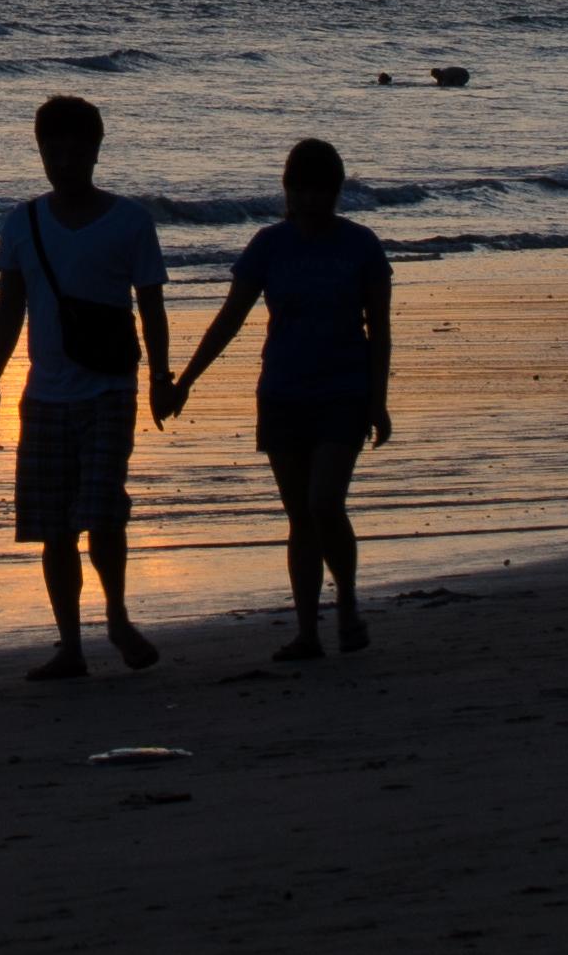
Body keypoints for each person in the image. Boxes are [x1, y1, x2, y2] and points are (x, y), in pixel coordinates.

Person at [167, 134, 397, 663]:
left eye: (322, 189)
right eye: (301, 188)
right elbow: (231, 317)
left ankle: (347, 603)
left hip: (344, 391)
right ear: (287, 190)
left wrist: (378, 400)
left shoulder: (361, 244)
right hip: (282, 393)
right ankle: (307, 632)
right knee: (299, 517)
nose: (311, 199)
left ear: (337, 191)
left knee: (324, 503)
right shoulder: (269, 245)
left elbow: (379, 329)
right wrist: (187, 378)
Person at [0, 93, 173, 679]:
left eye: (73, 146)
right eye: (50, 147)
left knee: (104, 512)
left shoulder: (130, 221)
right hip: (44, 396)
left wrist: (162, 376)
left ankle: (115, 616)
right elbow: (9, 308)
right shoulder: (23, 222)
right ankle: (70, 645)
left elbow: (152, 307)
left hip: (110, 389)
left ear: (95, 149)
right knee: (52, 526)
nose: (61, 158)